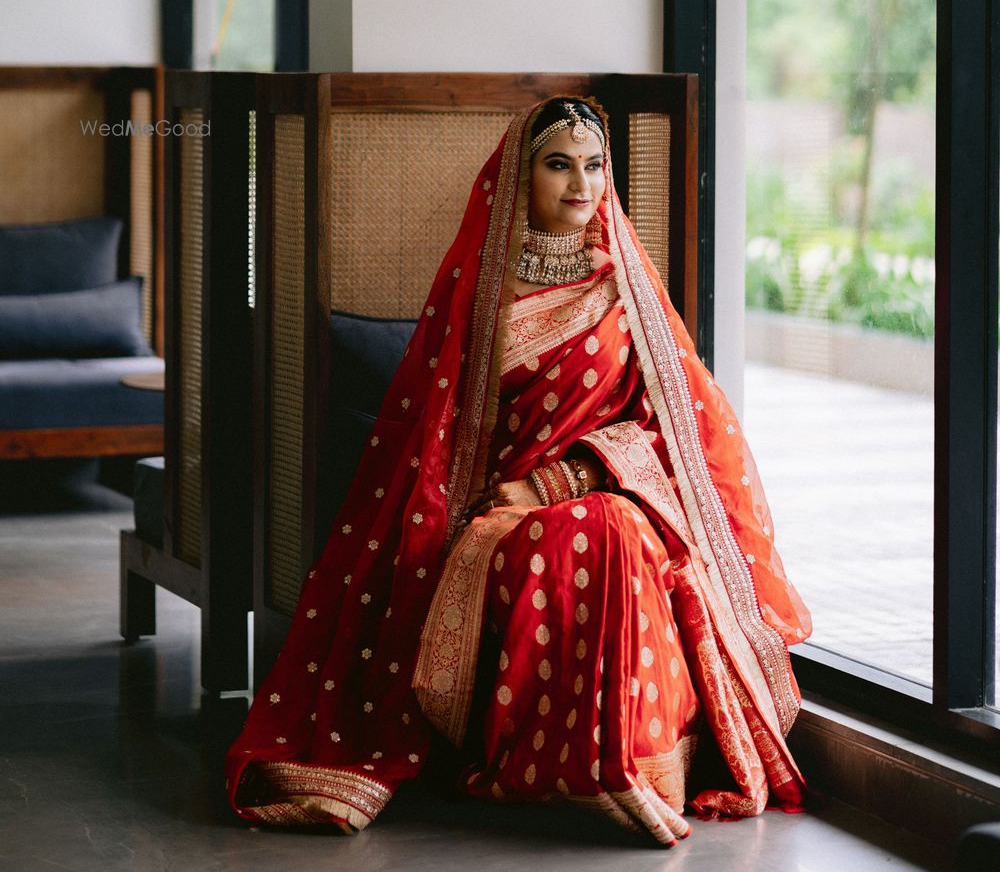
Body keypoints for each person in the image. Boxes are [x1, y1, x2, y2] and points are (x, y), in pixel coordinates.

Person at [226, 96, 811, 845]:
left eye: (594, 166)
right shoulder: (480, 297)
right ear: (518, 179)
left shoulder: (627, 297)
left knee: (606, 531)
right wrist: (489, 503)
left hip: (611, 494)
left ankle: (622, 769)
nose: (582, 183)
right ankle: (574, 770)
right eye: (560, 165)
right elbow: (436, 437)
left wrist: (562, 482)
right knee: (567, 542)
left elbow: (682, 435)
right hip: (493, 513)